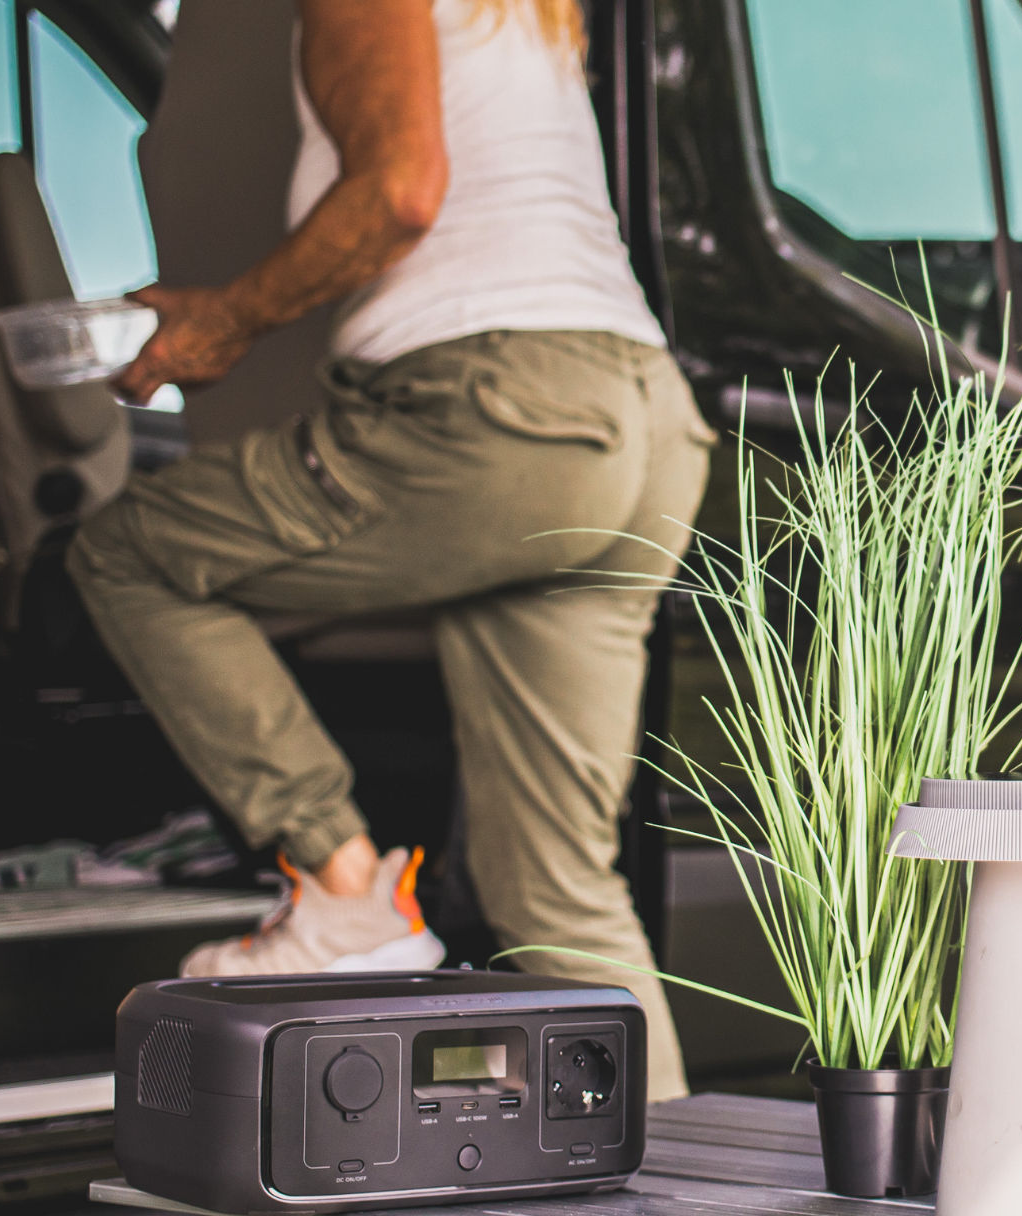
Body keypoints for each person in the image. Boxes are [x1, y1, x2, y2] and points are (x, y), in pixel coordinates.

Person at [70, 0, 708, 1093]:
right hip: (639, 421)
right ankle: (666, 1206)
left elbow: (400, 193)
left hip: (496, 409)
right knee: (556, 888)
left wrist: (223, 319)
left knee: (128, 550)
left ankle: (342, 889)